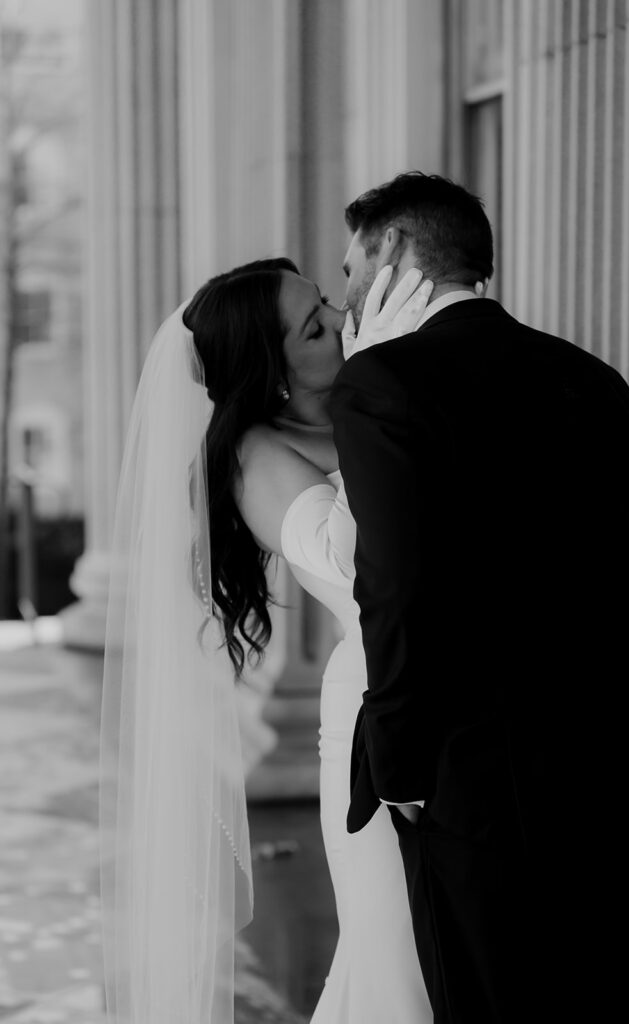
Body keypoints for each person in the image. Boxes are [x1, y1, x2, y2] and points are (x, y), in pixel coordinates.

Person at [330, 170, 629, 1024]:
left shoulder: (381, 383)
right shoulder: (588, 375)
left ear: (391, 253)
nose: (342, 290)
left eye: (348, 266)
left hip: (485, 777)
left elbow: (398, 590)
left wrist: (401, 761)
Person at [100, 256, 434, 1024]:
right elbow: (361, 566)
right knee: (397, 959)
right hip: (375, 723)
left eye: (325, 300)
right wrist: (380, 408)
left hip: (455, 708)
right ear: (274, 373)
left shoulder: (378, 400)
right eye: (316, 327)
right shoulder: (256, 458)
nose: (344, 320)